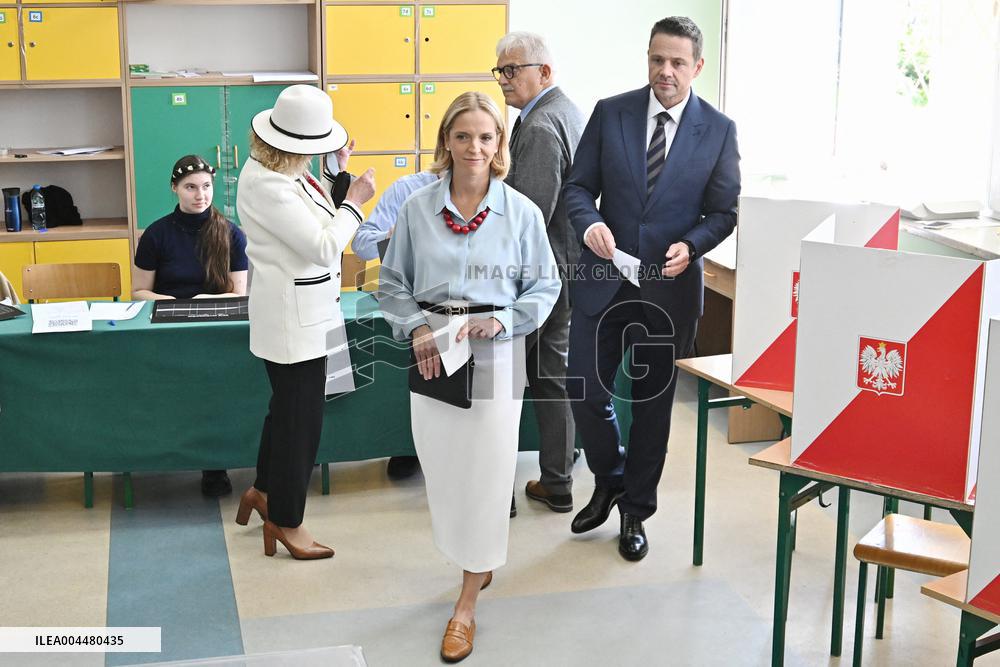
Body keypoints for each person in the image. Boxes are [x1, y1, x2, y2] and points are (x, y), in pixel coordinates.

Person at [377, 92, 560, 662]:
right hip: (432, 354)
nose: (474, 147)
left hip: (496, 359)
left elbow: (545, 288)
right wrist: (415, 330)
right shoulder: (416, 209)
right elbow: (392, 283)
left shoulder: (522, 213)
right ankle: (475, 565)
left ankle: (465, 604)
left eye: (486, 137)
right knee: (447, 474)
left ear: (500, 145)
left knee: (486, 477)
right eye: (463, 136)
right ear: (447, 143)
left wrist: (500, 319)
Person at [563, 16, 740, 561]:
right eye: (657, 59)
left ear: (697, 67)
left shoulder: (719, 129)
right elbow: (577, 188)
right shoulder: (611, 111)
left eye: (677, 62)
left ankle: (635, 510)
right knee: (584, 389)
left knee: (652, 407)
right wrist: (588, 222)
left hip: (668, 290)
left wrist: (693, 243)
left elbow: (723, 211)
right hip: (603, 279)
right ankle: (610, 476)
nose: (665, 71)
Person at [234, 84, 376, 560]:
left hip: (308, 313)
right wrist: (357, 201)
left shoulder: (286, 171)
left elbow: (320, 217)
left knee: (286, 413)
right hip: (294, 320)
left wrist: (338, 175)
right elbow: (322, 245)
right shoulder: (270, 184)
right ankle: (287, 521)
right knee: (302, 423)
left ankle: (263, 490)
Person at [495, 31, 584, 514]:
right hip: (567, 268)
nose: (504, 80)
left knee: (506, 377)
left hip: (538, 275)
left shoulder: (542, 126)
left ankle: (499, 491)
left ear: (543, 72)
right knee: (553, 375)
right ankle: (558, 480)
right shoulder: (568, 112)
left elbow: (526, 214)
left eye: (513, 70)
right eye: (500, 71)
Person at [132, 154, 249, 497]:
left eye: (207, 187)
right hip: (168, 328)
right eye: (191, 187)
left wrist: (202, 302)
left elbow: (239, 293)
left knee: (216, 389)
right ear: (175, 189)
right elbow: (138, 292)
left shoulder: (231, 233)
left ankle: (215, 465)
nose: (200, 195)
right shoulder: (156, 234)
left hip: (216, 329)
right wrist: (175, 304)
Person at [352, 169, 438, 482]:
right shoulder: (408, 188)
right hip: (413, 294)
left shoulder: (492, 188)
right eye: (460, 138)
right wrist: (390, 237)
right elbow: (361, 242)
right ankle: (406, 445)